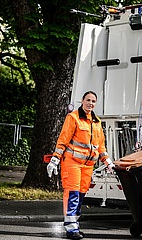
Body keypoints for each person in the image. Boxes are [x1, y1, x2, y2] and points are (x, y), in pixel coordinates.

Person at [47, 91, 114, 240]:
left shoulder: (96, 122)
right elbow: (63, 140)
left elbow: (100, 146)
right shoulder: (73, 117)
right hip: (72, 163)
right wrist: (55, 159)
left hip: (88, 165)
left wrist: (108, 162)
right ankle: (71, 229)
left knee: (81, 195)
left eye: (93, 101)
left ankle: (74, 225)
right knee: (73, 194)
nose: (91, 103)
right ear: (82, 101)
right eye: (88, 100)